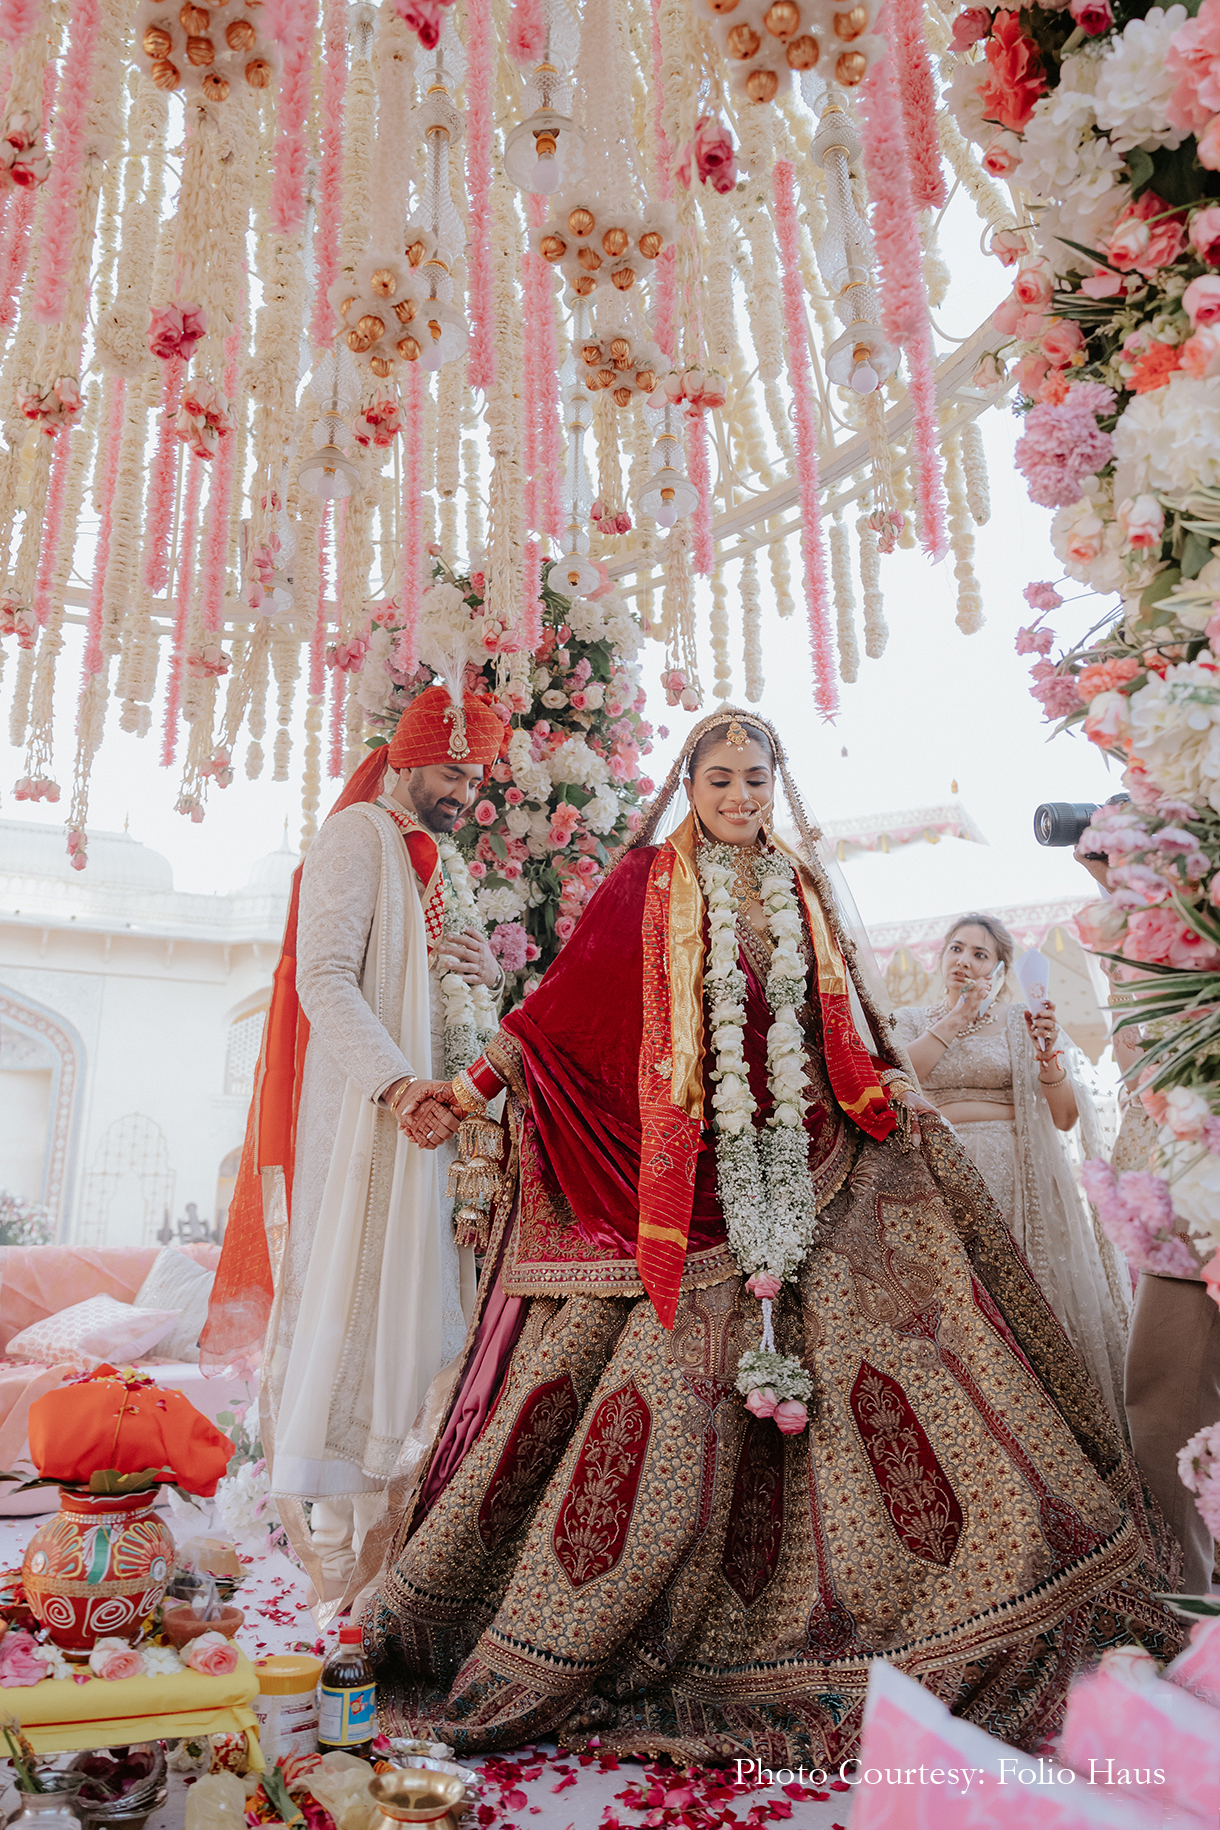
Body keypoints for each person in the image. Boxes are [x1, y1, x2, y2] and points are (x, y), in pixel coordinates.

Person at [361, 708, 1180, 1767]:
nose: (739, 797)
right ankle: (598, 1629)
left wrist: (886, 1088)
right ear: (688, 786)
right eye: (719, 781)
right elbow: (556, 1015)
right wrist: (465, 1091)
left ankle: (936, 1601)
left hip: (810, 1161)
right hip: (679, 1183)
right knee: (653, 1406)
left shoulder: (795, 886)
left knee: (912, 1354)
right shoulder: (646, 882)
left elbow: (841, 1023)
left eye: (754, 779)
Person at [202, 682, 506, 1599]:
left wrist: (483, 971)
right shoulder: (355, 838)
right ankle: (344, 1564)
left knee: (425, 1311)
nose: (466, 788)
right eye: (454, 767)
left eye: (477, 773)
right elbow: (325, 980)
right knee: (363, 1307)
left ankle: (405, 1555)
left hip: (436, 1124)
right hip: (380, 1121)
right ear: (409, 757)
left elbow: (455, 998)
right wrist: (396, 1083)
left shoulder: (439, 866)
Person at [892, 915, 1131, 1425]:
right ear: (940, 958)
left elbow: (1065, 1119)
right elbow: (899, 1081)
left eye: (981, 954)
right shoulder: (910, 1021)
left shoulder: (1024, 1023)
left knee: (1021, 1302)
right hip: (935, 1180)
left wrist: (1048, 1059)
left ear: (1001, 968)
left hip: (1015, 1181)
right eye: (956, 948)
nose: (965, 960)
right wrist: (957, 1018)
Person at [1075, 840, 1220, 1594]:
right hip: (1183, 1182)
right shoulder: (1140, 935)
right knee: (1164, 1389)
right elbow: (1137, 1049)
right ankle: (1191, 1603)